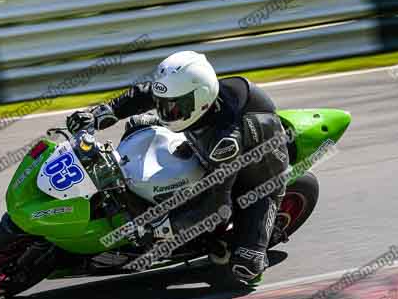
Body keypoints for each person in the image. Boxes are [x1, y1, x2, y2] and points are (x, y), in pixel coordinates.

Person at [66, 51, 289, 282]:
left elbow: (217, 207)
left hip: (260, 177)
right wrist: (100, 113)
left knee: (246, 267)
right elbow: (145, 93)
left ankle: (251, 247)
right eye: (163, 105)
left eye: (172, 108)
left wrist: (159, 228)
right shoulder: (189, 94)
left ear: (199, 101)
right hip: (202, 141)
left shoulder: (225, 142)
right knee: (139, 125)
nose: (165, 113)